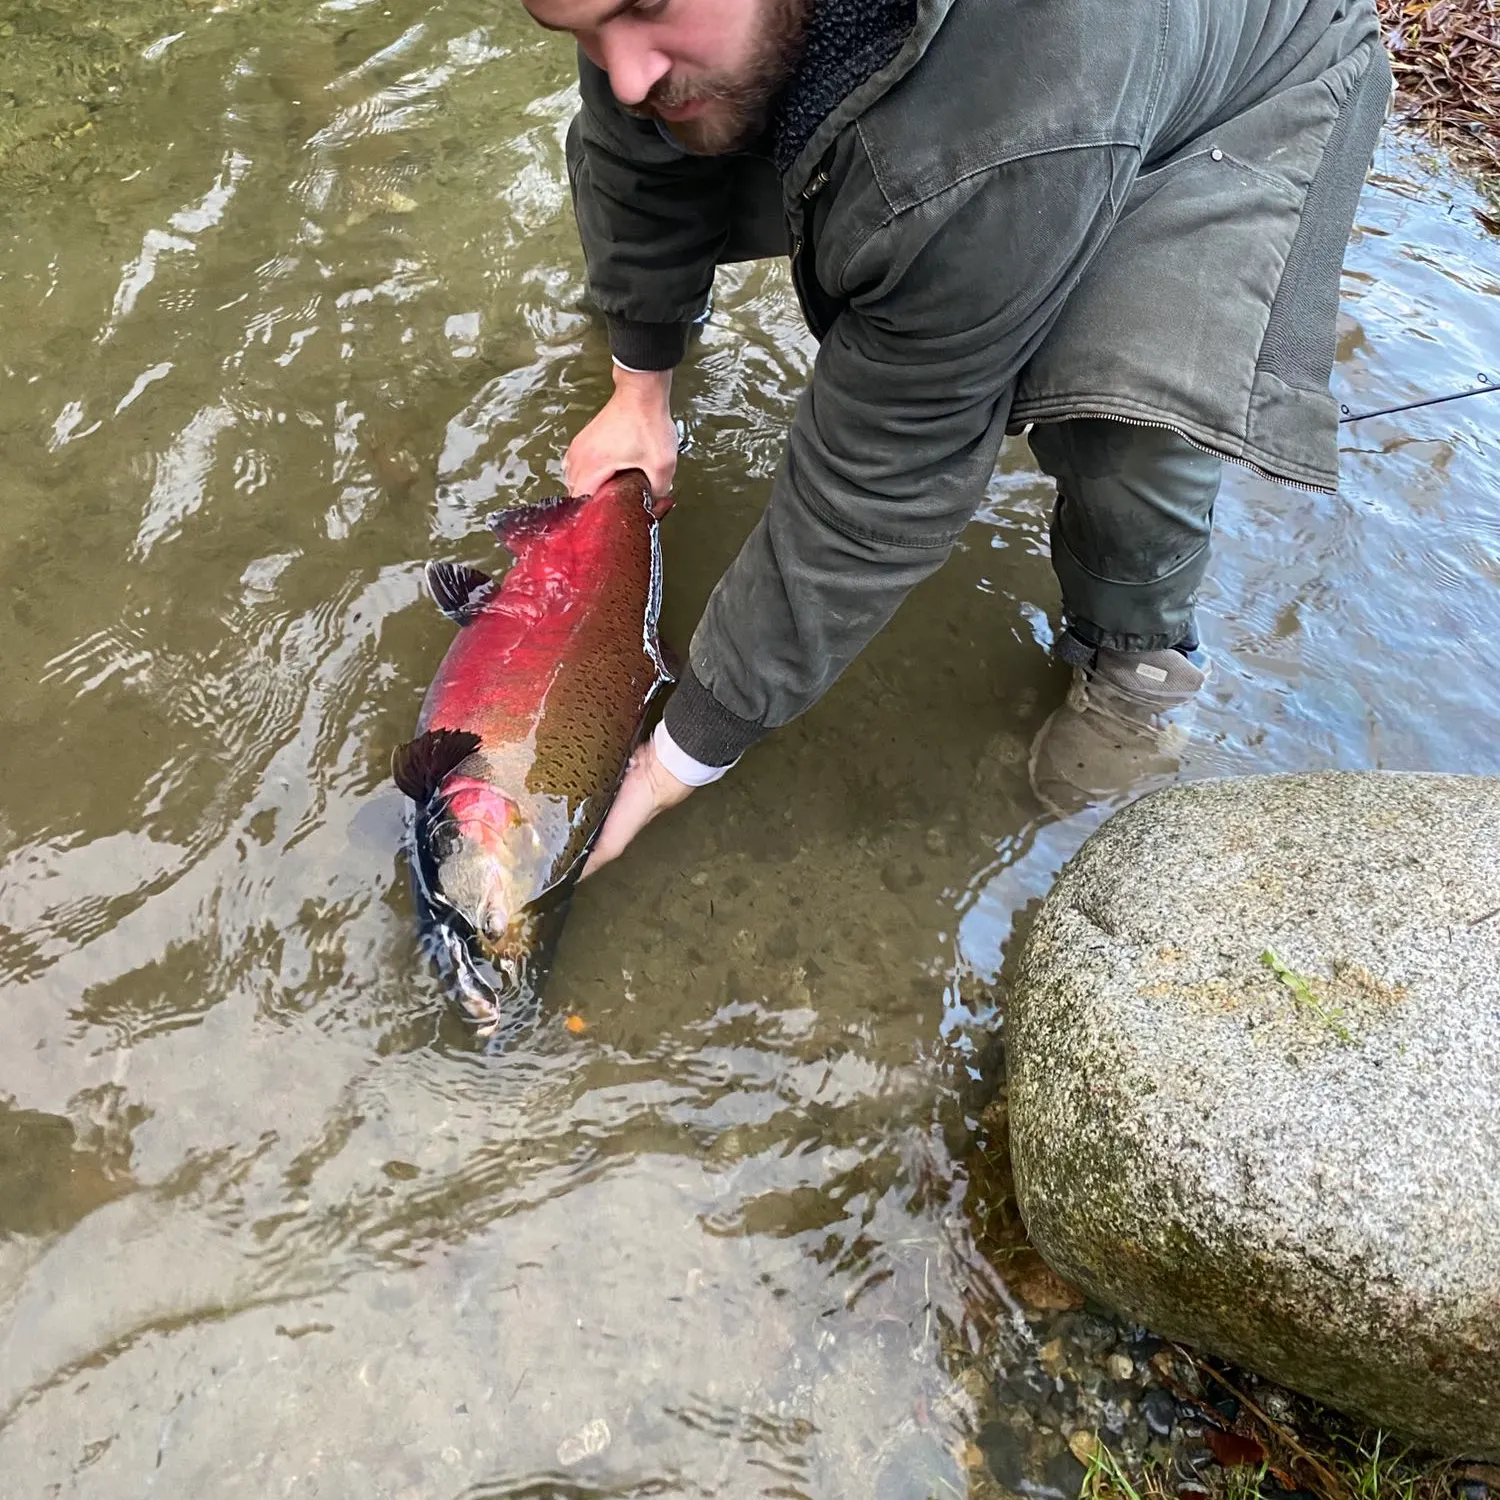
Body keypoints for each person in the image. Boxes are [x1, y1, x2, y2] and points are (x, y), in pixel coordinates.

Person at [520, 0, 1392, 874]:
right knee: (678, 116)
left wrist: (685, 749)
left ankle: (1138, 656)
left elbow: (883, 474)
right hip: (981, 113)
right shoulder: (664, 49)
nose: (620, 67)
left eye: (646, 8)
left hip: (1238, 87)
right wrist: (641, 381)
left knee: (1117, 425)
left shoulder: (1005, 122)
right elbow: (632, 155)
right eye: (585, 32)